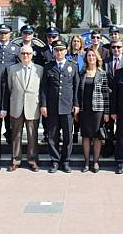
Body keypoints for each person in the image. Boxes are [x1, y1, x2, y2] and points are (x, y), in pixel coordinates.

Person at [40, 40, 80, 173]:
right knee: (53, 136)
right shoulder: (48, 67)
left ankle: (66, 161)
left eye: (61, 50)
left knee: (68, 136)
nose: (59, 52)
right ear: (53, 52)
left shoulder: (72, 66)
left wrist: (76, 104)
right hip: (52, 107)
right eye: (56, 50)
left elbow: (76, 87)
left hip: (67, 106)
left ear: (66, 51)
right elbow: (44, 88)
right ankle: (55, 161)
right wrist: (43, 105)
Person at [5, 45, 43, 172]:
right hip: (17, 106)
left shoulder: (39, 69)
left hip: (33, 107)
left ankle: (32, 160)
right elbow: (10, 88)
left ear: (32, 55)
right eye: (23, 53)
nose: (25, 56)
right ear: (19, 55)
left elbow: (41, 89)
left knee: (33, 135)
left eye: (28, 53)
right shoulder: (12, 69)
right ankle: (16, 160)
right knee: (16, 135)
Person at [76, 48, 110, 173]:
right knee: (85, 136)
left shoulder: (102, 73)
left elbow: (106, 94)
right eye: (89, 56)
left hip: (98, 109)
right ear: (86, 58)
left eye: (93, 56)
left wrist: (106, 112)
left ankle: (95, 162)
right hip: (84, 109)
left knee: (96, 136)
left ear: (97, 58)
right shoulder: (82, 73)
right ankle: (86, 162)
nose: (91, 58)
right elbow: (78, 93)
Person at [0, 23, 19, 144]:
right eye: (1, 33)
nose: (3, 35)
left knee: (9, 111)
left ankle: (9, 135)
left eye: (6, 33)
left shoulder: (16, 48)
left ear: (10, 34)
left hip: (10, 83)